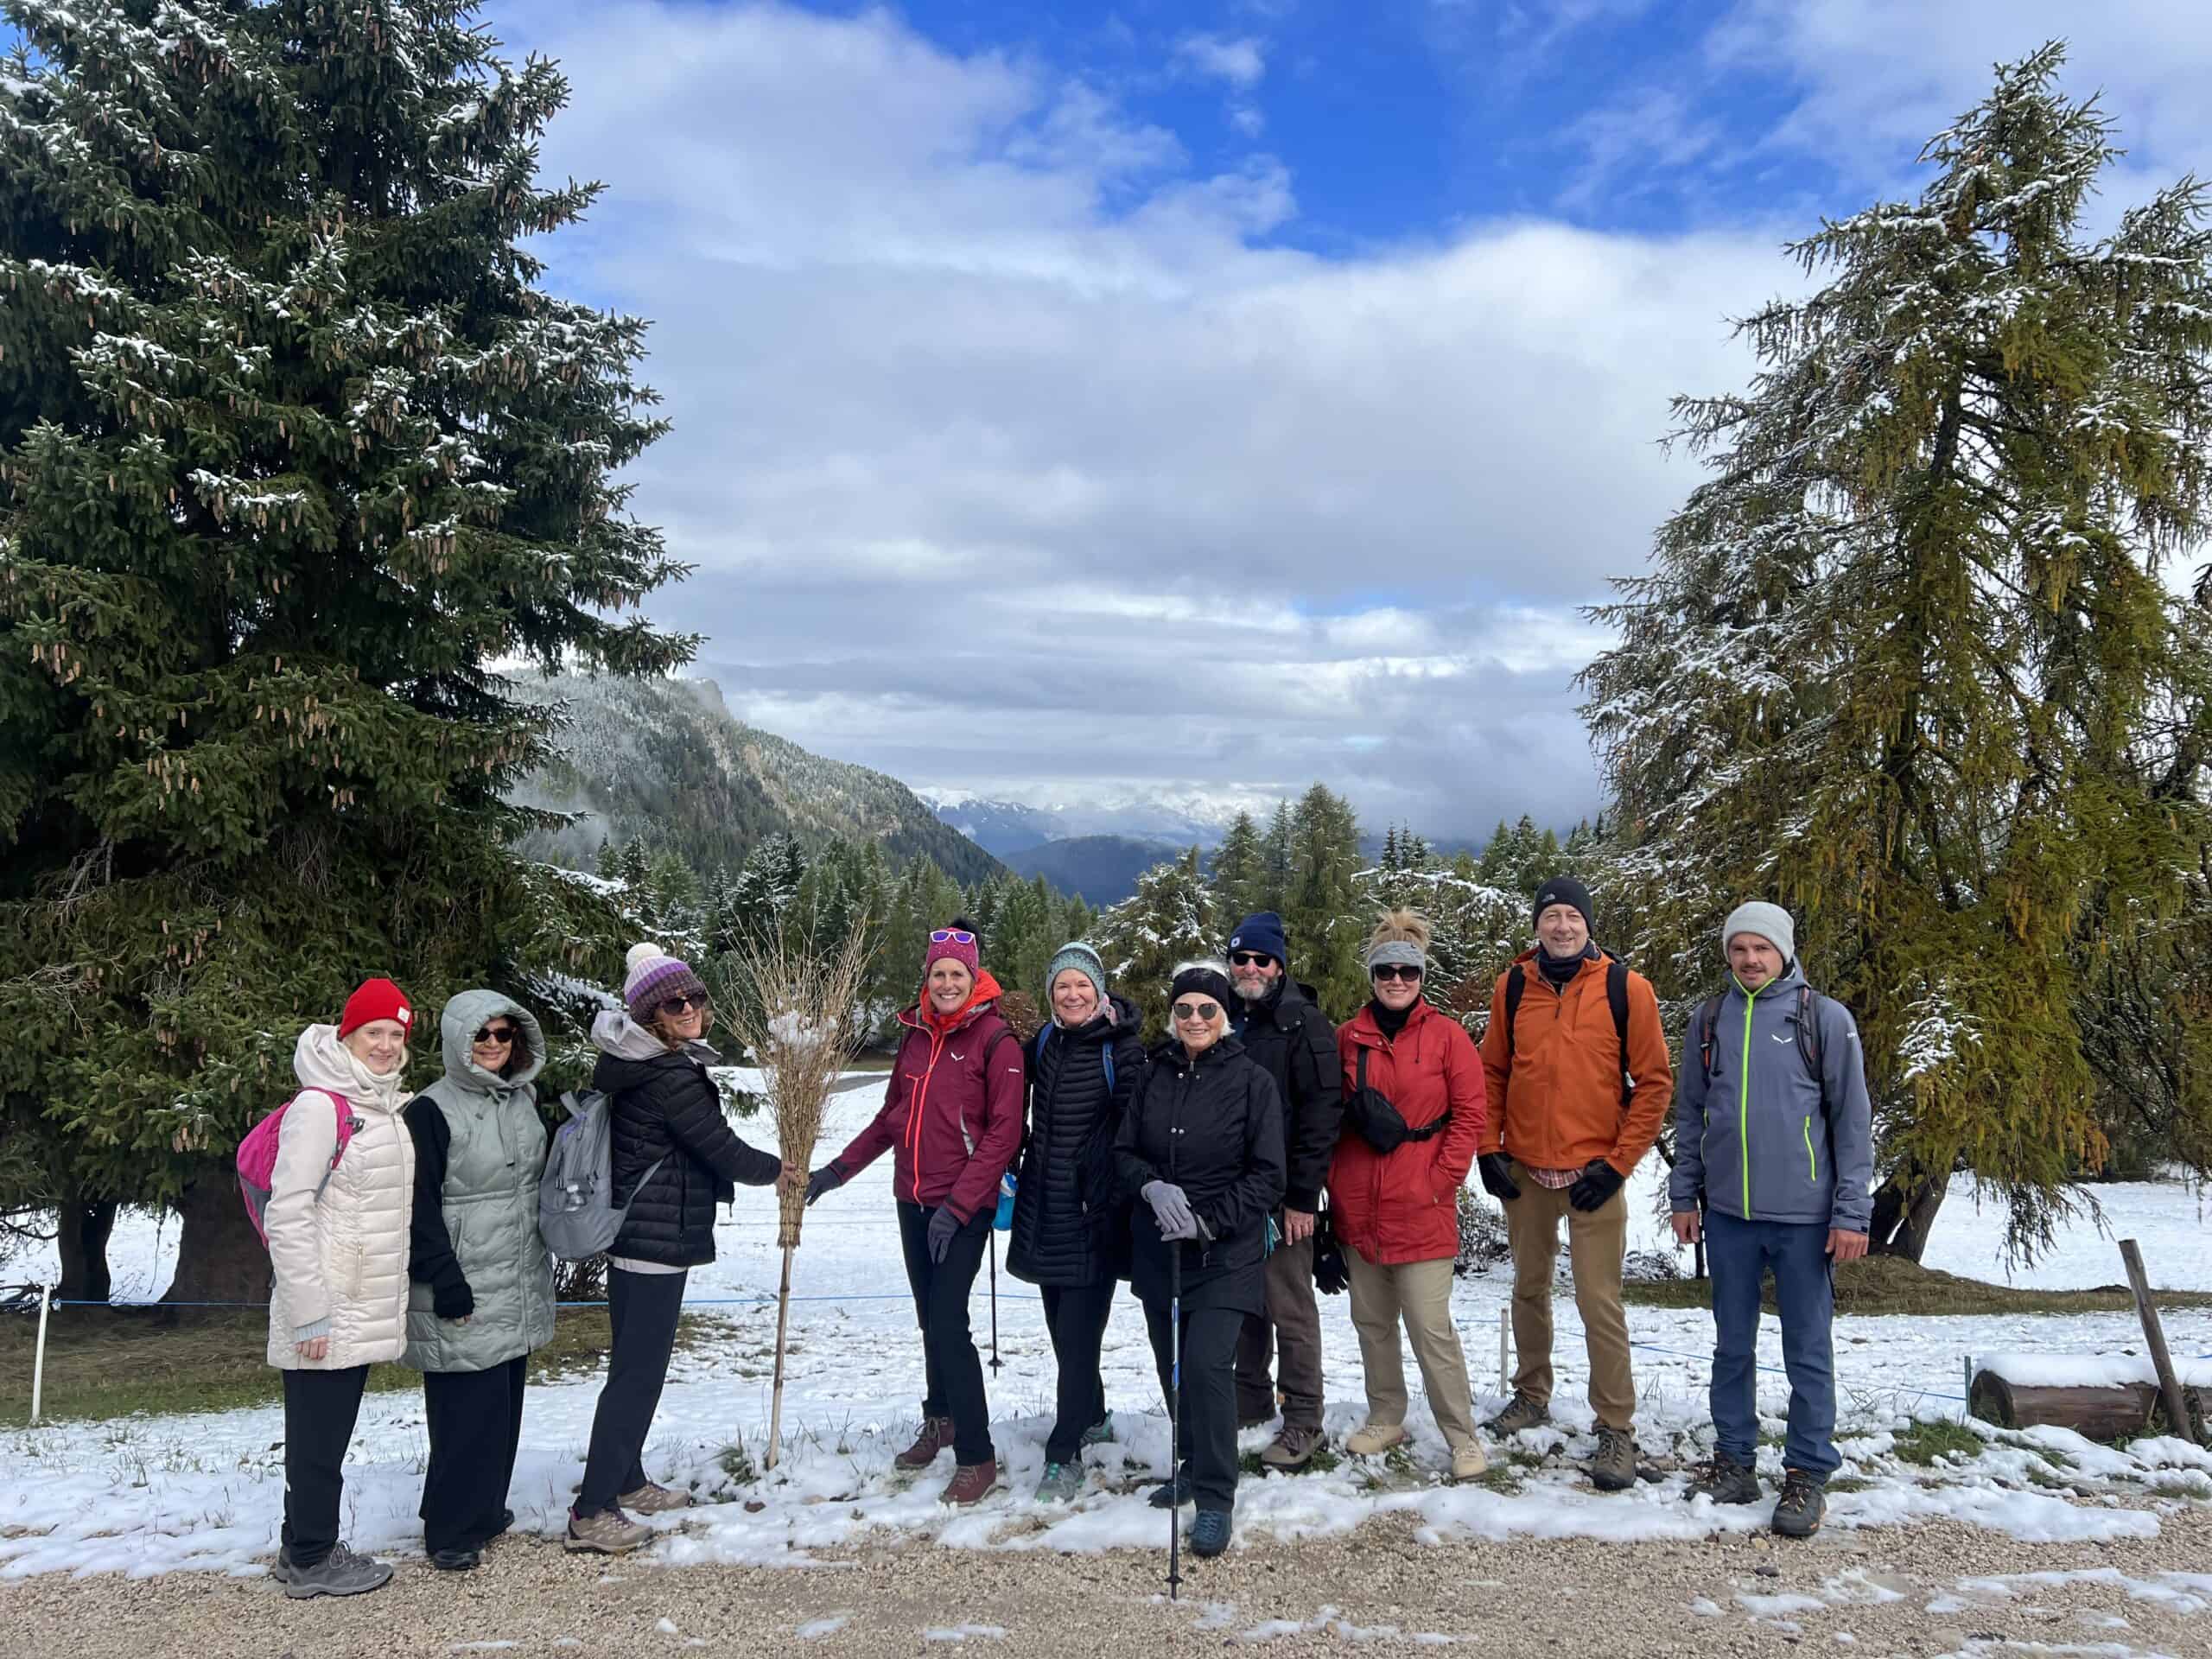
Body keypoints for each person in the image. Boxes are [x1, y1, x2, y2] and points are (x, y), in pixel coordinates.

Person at [569, 944, 796, 1554]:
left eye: (695, 997)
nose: (691, 1007)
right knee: (636, 1377)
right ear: (649, 1014)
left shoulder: (647, 1063)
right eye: (675, 1002)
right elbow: (718, 1147)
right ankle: (592, 1510)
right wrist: (781, 1170)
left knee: (638, 1369)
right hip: (652, 1240)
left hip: (646, 1236)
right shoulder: (668, 1073)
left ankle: (628, 1479)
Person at [1669, 902, 1873, 1540]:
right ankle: (1734, 1462)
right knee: (1732, 1347)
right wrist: (1684, 1198)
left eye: (1761, 949)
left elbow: (1853, 1124)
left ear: (1784, 951)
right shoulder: (1709, 1021)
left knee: (1806, 1351)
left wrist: (1851, 1213)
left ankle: (1808, 1473)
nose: (1750, 960)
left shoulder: (1824, 1020)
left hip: (1807, 1222)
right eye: (1739, 949)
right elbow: (1691, 1117)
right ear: (1727, 955)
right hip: (1729, 1216)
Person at [805, 919, 1025, 1505]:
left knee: (950, 1322)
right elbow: (890, 1119)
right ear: (926, 980)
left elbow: (1005, 1136)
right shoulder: (915, 1036)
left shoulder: (996, 1042)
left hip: (965, 1205)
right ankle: (941, 1418)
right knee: (932, 1320)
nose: (947, 983)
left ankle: (977, 1456)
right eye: (938, 974)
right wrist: (836, 1172)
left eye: (958, 974)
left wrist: (958, 1206)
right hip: (912, 1200)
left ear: (974, 977)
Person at [1477, 874, 1672, 1491]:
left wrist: (1618, 1165)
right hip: (1528, 1170)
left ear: (1589, 924)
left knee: (1598, 1300)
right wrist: (1488, 1149)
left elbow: (1655, 1085)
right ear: (1536, 925)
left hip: (1595, 1173)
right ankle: (1531, 1394)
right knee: (1529, 1289)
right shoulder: (1513, 986)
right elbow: (1491, 1073)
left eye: (1572, 916)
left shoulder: (1625, 988)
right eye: (1550, 916)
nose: (1561, 926)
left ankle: (1615, 1425)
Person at [1116, 961, 1287, 1560]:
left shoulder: (1252, 1082)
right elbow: (1124, 1151)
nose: (1194, 1019)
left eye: (1206, 1010)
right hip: (1160, 1248)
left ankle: (1216, 1494)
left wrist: (1211, 1220)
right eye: (1185, 1009)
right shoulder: (1152, 1074)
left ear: (1224, 1017)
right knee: (1174, 1366)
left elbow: (1268, 1174)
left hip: (1226, 1250)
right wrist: (1150, 1188)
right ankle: (1189, 1462)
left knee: (1209, 1366)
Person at [267, 977, 419, 1599]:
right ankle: (311, 1558)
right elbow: (288, 1211)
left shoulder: (378, 1103)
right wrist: (309, 1313)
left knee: (322, 1434)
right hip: (326, 1306)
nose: (384, 1046)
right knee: (319, 1438)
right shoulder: (320, 1106)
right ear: (347, 1035)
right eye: (372, 1033)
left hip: (358, 1305)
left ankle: (297, 1544)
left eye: (395, 1035)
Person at [1330, 912, 1490, 1481]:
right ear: (1372, 976)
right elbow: (1330, 1115)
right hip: (1360, 1203)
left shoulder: (1447, 1038)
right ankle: (1386, 1414)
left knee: (1430, 1328)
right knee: (1372, 1323)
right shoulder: (1347, 1038)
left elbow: (1471, 1114)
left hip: (1421, 1204)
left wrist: (1440, 1178)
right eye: (1386, 971)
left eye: (1407, 972)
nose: (1396, 980)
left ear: (1421, 977)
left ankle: (1461, 1434)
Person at [403, 991, 556, 1572]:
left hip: (514, 1273)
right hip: (461, 1278)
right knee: (463, 1410)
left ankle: (486, 1510)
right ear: (458, 1042)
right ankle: (448, 1528)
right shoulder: (430, 1112)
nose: (494, 1045)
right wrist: (445, 1278)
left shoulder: (522, 1101)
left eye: (504, 1035)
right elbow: (415, 1207)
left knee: (503, 1402)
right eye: (482, 1036)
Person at [1006, 941, 1147, 1503]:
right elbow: (1009, 1094)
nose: (1071, 994)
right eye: (1062, 985)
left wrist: (1107, 1186)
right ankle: (1093, 1419)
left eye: (1081, 985)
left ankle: (1062, 1454)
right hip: (1044, 1207)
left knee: (1079, 1336)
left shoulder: (1124, 1050)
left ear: (1100, 990)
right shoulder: (1045, 1042)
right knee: (1062, 1331)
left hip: (1095, 1213)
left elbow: (1137, 1131)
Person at [1221, 911, 1343, 1472]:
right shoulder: (1218, 1014)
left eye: (1261, 959)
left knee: (1289, 1308)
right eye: (1241, 958)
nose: (1250, 967)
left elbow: (1322, 1117)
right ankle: (1249, 1402)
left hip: (1282, 1199)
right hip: (1229, 1195)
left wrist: (1302, 1197)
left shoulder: (1304, 1024)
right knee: (1242, 1306)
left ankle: (1303, 1421)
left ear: (1280, 965)